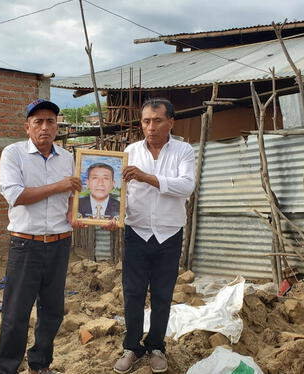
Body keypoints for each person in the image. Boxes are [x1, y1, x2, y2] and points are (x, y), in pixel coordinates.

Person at [0, 98, 82, 374]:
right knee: (15, 313)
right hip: (26, 244)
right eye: (38, 122)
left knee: (52, 311)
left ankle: (39, 364)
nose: (45, 127)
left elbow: (74, 195)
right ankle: (7, 368)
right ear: (27, 127)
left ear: (57, 126)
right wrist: (59, 185)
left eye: (50, 121)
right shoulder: (13, 154)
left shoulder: (68, 158)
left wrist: (74, 213)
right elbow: (16, 195)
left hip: (59, 243)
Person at [112, 98, 195, 374]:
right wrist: (110, 215)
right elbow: (117, 191)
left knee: (162, 294)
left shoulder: (183, 151)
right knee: (133, 293)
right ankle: (132, 346)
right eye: (146, 121)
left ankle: (157, 346)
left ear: (171, 121)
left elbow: (186, 186)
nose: (151, 127)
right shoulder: (130, 151)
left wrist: (147, 177)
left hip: (169, 234)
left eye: (157, 120)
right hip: (137, 231)